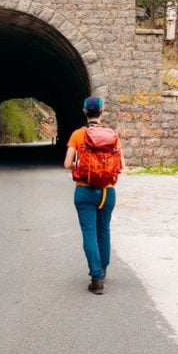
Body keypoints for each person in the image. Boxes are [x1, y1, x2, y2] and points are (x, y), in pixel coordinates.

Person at [64, 96, 125, 295]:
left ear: (84, 111)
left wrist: (79, 166)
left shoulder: (77, 135)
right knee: (104, 230)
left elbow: (67, 163)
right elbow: (122, 165)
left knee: (89, 233)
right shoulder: (112, 135)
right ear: (102, 111)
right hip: (108, 191)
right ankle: (103, 269)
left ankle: (96, 277)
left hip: (85, 190)